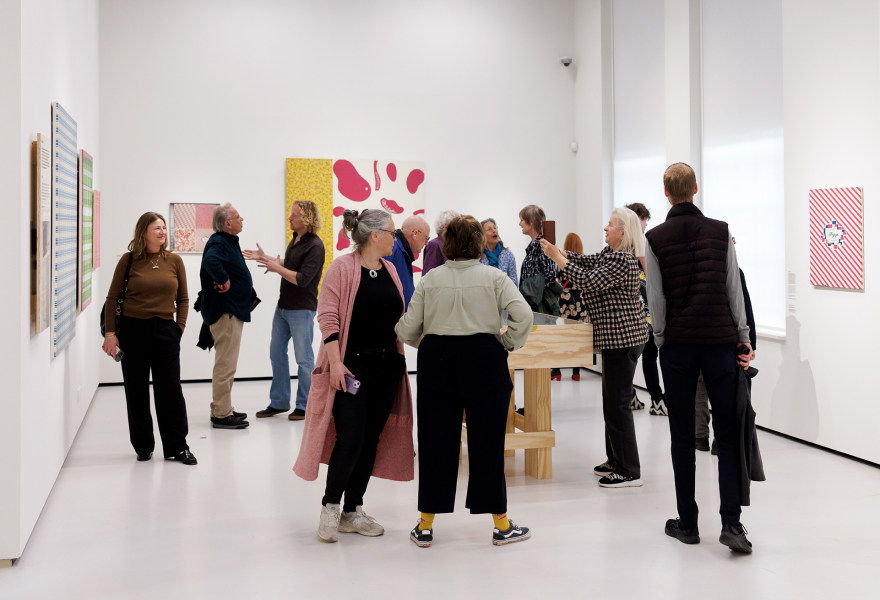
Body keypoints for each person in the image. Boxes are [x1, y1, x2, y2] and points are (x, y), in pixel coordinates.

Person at [396, 215, 534, 548]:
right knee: (487, 442)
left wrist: (428, 342)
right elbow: (524, 316)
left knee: (435, 442)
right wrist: (506, 342)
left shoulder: (430, 279)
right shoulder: (495, 277)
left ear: (446, 245)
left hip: (437, 361)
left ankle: (425, 524)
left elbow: (405, 328)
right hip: (484, 358)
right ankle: (501, 525)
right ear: (476, 244)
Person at [645, 162, 755, 554]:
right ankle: (731, 523)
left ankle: (688, 523)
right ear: (696, 188)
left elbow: (656, 299)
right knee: (726, 435)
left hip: (678, 345)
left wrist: (660, 340)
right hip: (720, 343)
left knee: (681, 436)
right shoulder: (721, 231)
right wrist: (742, 339)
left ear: (665, 193)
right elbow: (733, 290)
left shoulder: (654, 238)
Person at [293, 208, 413, 543]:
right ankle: (330, 508)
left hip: (387, 369)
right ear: (375, 235)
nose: (395, 237)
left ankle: (352, 510)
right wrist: (334, 364)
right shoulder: (342, 268)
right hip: (351, 368)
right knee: (351, 439)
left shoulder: (389, 268)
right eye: (392, 232)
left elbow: (398, 318)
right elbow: (328, 317)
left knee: (371, 440)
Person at [541, 207, 649, 488]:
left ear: (623, 232)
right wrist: (557, 251)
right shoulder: (608, 255)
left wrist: (557, 257)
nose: (605, 229)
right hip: (616, 339)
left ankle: (629, 470)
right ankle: (615, 460)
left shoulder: (622, 261)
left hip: (623, 339)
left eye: (610, 225)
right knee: (611, 402)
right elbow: (583, 261)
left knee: (618, 404)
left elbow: (587, 280)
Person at [101, 212, 196, 465]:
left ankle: (178, 446)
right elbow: (112, 299)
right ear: (144, 232)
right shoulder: (129, 260)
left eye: (164, 228)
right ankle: (143, 445)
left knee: (171, 391)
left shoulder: (174, 260)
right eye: (157, 228)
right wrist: (111, 334)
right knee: (137, 391)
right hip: (132, 332)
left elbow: (184, 298)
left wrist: (179, 328)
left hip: (166, 331)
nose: (163, 232)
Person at [243, 200, 326, 421]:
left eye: (294, 215)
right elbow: (289, 264)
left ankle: (304, 405)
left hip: (301, 309)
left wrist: (277, 268)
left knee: (304, 359)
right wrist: (265, 256)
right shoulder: (296, 240)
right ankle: (279, 402)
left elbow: (302, 279)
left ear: (307, 219)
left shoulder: (316, 246)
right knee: (276, 353)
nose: (290, 218)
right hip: (283, 307)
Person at [696, 236, 757, 453]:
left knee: (703, 389)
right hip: (726, 340)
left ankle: (702, 437)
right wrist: (750, 342)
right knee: (718, 392)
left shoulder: (702, 269)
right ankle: (714, 439)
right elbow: (745, 309)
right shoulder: (734, 272)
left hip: (705, 339)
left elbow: (746, 308)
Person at [199, 203, 253, 430]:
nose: (243, 219)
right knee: (225, 365)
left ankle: (223, 408)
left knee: (228, 364)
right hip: (226, 312)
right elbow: (210, 261)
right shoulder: (220, 241)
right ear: (227, 224)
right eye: (238, 217)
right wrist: (223, 278)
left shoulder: (226, 241)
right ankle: (222, 414)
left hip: (231, 310)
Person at [625, 202, 667, 416]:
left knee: (633, 355)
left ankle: (631, 394)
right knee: (649, 355)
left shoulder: (624, 243)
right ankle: (657, 399)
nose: (645, 225)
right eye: (644, 220)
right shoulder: (640, 242)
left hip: (634, 309)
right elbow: (647, 271)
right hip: (643, 308)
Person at [518, 205, 560, 315]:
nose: (520, 224)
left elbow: (550, 275)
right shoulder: (533, 245)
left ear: (531, 222)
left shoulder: (543, 244)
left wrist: (534, 290)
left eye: (522, 220)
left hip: (541, 305)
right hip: (533, 303)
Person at [557, 232, 587, 381]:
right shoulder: (584, 262)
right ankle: (576, 372)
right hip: (580, 299)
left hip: (564, 299)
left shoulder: (561, 260)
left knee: (560, 335)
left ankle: (556, 370)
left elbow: (557, 279)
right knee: (578, 336)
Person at [387, 215, 431, 307]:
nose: (426, 243)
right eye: (426, 238)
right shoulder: (392, 250)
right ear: (415, 233)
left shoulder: (401, 250)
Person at [479, 218, 517, 285]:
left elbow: (514, 281)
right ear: (482, 235)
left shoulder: (508, 254)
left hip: (505, 294)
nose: (494, 231)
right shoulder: (479, 256)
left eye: (495, 228)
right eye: (489, 229)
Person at [421, 210, 458, 276]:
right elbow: (428, 275)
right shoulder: (434, 245)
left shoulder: (450, 246)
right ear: (445, 226)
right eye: (456, 226)